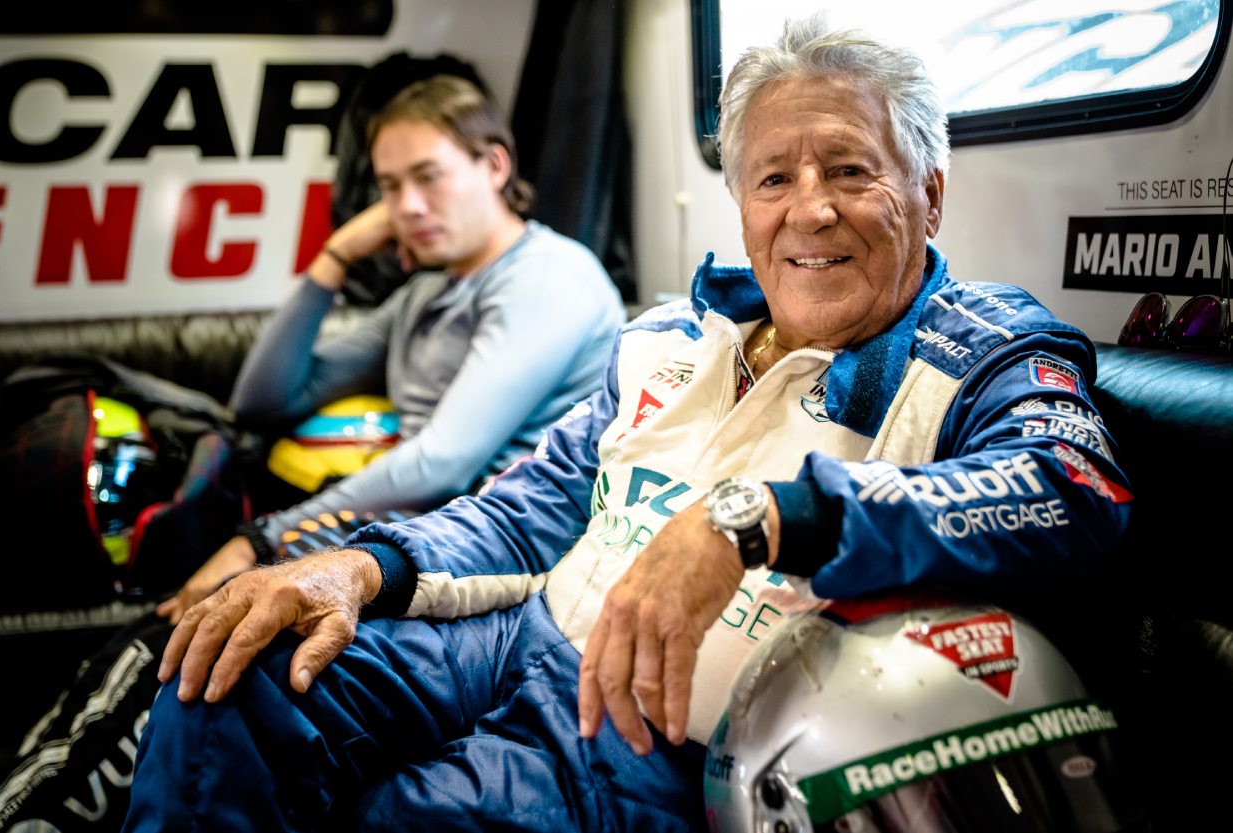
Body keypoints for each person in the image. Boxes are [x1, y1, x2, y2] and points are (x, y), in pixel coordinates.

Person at [124, 15, 1132, 832]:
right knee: (225, 675)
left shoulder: (984, 348)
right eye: (774, 178)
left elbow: (1068, 493)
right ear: (741, 204)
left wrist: (757, 516)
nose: (810, 209)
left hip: (650, 734)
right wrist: (351, 566)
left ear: (928, 192)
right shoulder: (666, 335)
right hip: (509, 638)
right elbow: (525, 510)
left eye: (851, 170)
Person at [157, 75, 625, 623]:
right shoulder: (425, 294)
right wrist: (336, 256)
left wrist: (264, 539)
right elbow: (265, 399)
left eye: (428, 177)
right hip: (416, 530)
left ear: (495, 167)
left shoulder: (549, 278)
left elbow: (441, 464)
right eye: (390, 187)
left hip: (496, 546)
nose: (408, 206)